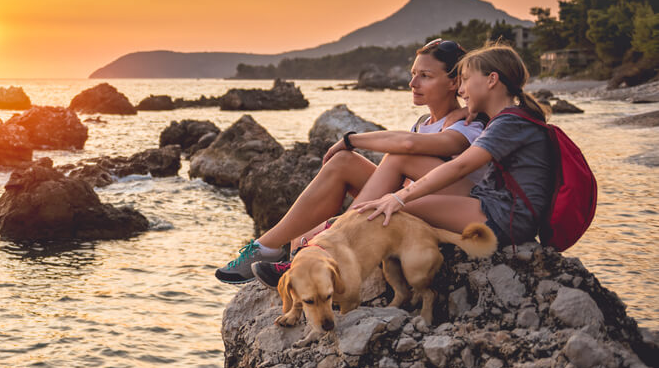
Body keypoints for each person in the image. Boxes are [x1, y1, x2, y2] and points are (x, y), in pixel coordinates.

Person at [215, 39, 486, 284]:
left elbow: (407, 145)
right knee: (342, 164)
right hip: (412, 200)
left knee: (392, 156)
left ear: (454, 83)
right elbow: (405, 164)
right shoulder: (423, 123)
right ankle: (267, 247)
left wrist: (351, 139)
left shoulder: (468, 123)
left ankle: (331, 242)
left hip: (456, 208)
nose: (413, 84)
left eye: (425, 76)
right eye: (413, 74)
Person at [347, 42, 556, 248]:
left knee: (391, 209)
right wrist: (466, 110)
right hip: (491, 205)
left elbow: (460, 167)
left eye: (465, 80)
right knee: (386, 207)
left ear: (492, 80)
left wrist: (398, 197)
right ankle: (335, 234)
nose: (461, 89)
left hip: (508, 219)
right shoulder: (507, 119)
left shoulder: (510, 123)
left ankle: (335, 238)